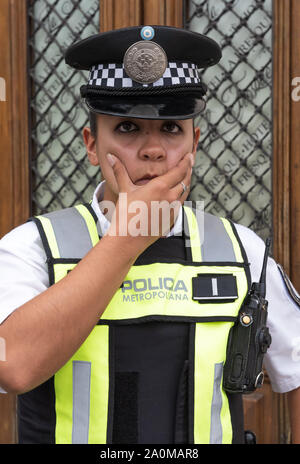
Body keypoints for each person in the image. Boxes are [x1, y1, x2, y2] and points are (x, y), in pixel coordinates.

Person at [0, 25, 299, 445]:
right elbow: (13, 367)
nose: (152, 150)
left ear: (194, 142)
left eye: (171, 129)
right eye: (126, 128)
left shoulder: (242, 250)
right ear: (91, 144)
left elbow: (295, 372)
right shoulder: (30, 248)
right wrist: (127, 237)